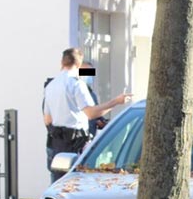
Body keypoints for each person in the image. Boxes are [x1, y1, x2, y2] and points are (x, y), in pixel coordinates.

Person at [44, 48, 131, 182]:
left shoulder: (51, 86)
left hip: (57, 144)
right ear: (78, 64)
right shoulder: (76, 84)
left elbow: (48, 119)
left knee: (58, 185)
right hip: (75, 144)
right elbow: (91, 113)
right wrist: (116, 101)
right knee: (76, 185)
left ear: (62, 62)